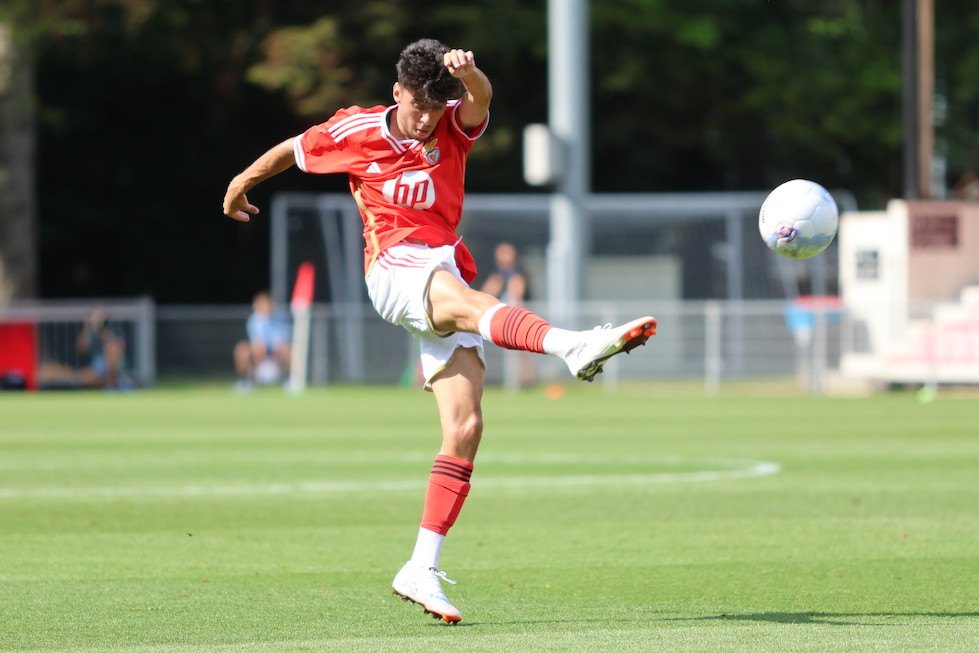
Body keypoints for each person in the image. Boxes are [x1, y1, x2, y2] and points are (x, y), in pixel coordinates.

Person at [222, 38, 657, 624]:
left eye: (435, 106)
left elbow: (481, 98)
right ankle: (573, 345)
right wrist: (241, 181)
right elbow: (292, 150)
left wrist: (470, 73)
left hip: (441, 262)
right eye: (418, 106)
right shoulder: (355, 130)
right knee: (471, 303)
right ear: (396, 92)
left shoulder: (454, 123)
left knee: (466, 426)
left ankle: (419, 567)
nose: (427, 118)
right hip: (393, 265)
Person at [233, 291, 292, 392]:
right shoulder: (254, 320)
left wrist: (276, 348)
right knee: (242, 349)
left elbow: (284, 338)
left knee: (288, 349)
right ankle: (245, 381)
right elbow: (256, 341)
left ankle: (289, 380)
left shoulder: (281, 318)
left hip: (277, 352)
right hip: (260, 353)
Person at [76, 306, 127, 389]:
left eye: (100, 316)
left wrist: (101, 331)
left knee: (112, 356)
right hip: (97, 364)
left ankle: (113, 383)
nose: (98, 319)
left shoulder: (113, 327)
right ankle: (110, 384)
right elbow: (81, 349)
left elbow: (118, 347)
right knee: (87, 377)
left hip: (114, 363)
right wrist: (87, 328)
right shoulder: (90, 331)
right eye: (96, 316)